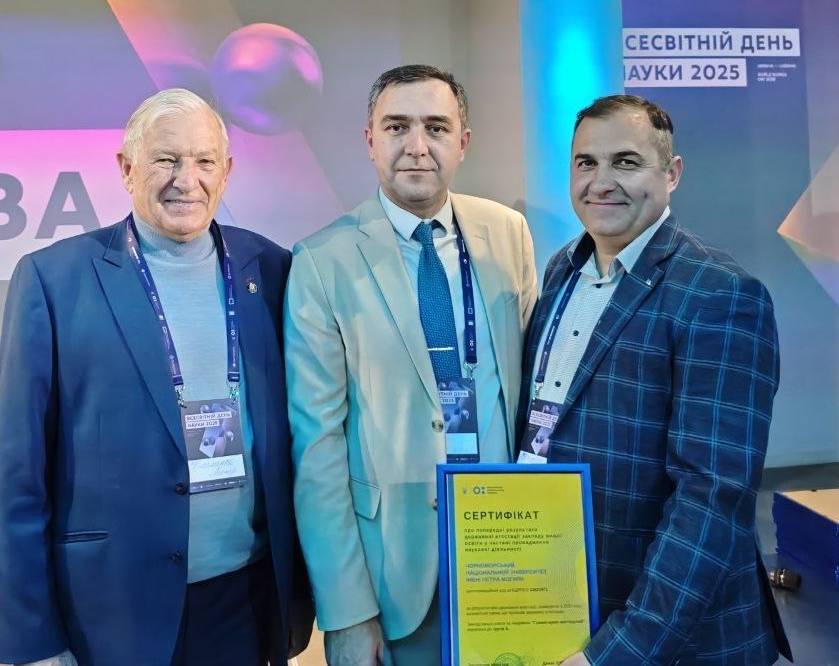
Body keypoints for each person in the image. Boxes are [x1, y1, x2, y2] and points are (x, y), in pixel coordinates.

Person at [0, 88, 313, 666]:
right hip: (111, 609)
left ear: (227, 171)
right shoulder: (54, 280)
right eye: (166, 159)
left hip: (244, 597)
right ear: (126, 167)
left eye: (204, 161)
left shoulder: (271, 269)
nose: (187, 180)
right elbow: (19, 475)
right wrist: (32, 638)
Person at [516, 94, 792, 665]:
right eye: (586, 162)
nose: (601, 182)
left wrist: (617, 653)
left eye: (626, 162)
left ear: (672, 173)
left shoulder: (720, 295)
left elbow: (710, 499)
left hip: (669, 638)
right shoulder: (562, 269)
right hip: (567, 603)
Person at [285, 64, 537, 664]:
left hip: (511, 554)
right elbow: (317, 447)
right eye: (397, 126)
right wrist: (347, 612)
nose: (417, 146)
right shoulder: (322, 260)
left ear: (463, 142)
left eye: (436, 127)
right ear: (370, 140)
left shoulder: (508, 234)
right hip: (394, 574)